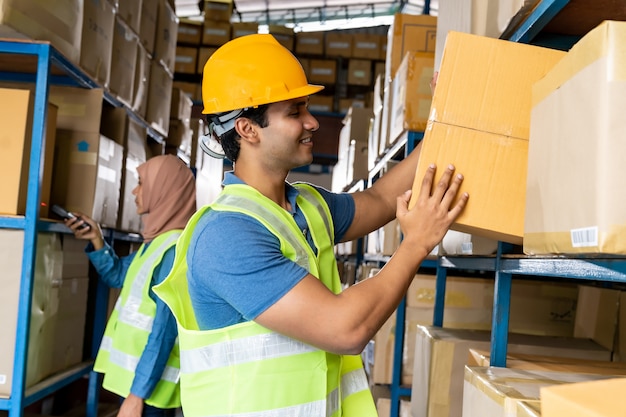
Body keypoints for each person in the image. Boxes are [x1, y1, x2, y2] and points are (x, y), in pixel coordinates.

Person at [154, 34, 468, 417]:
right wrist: (416, 243)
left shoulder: (307, 204)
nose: (312, 122)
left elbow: (383, 199)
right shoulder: (226, 235)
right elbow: (345, 330)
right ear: (247, 129)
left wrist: (445, 123)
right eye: (295, 111)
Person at [64, 154, 197, 417]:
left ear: (163, 190)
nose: (135, 191)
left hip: (150, 396)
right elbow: (117, 276)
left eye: (141, 183)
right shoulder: (155, 244)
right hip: (141, 387)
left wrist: (136, 398)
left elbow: (163, 335)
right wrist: (97, 239)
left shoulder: (173, 252)